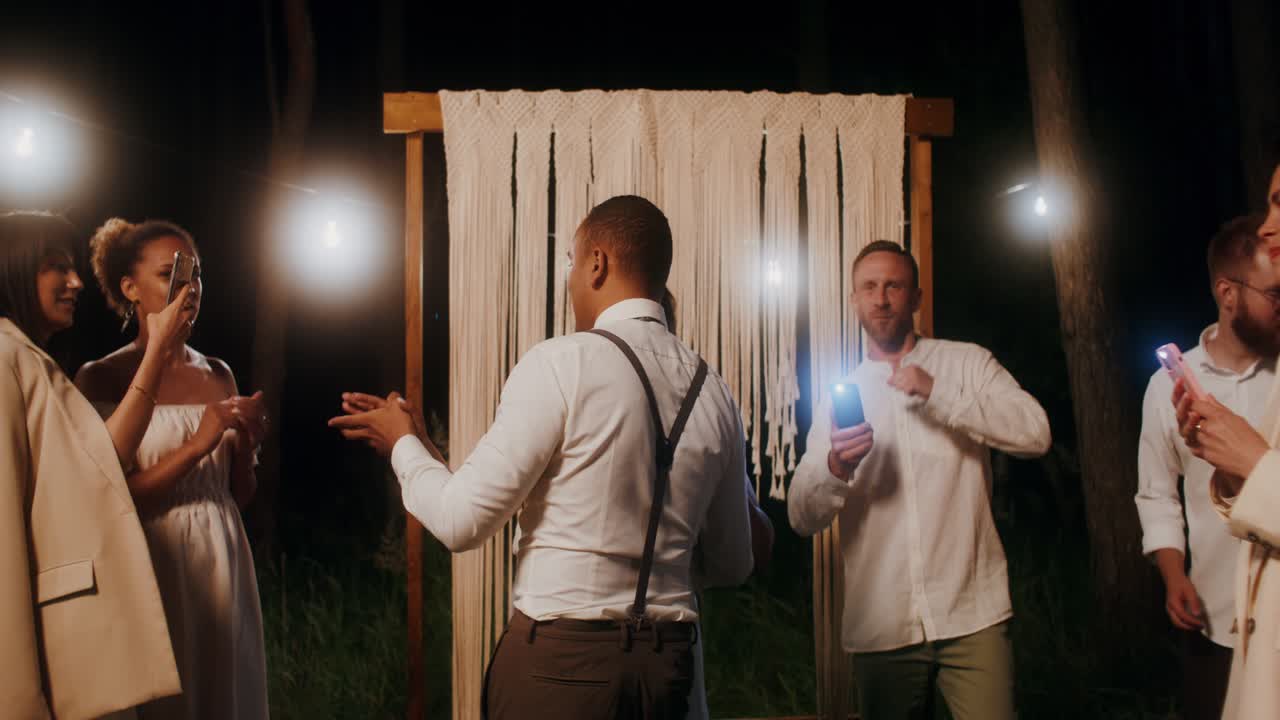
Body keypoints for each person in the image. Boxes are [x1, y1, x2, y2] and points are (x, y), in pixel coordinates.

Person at [330, 195, 768, 720]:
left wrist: (402, 443)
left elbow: (459, 521)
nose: (571, 281)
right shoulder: (714, 392)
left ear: (597, 263)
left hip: (561, 670)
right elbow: (735, 562)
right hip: (671, 676)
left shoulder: (562, 363)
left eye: (572, 263)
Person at [787, 240, 1051, 720]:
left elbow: (1036, 433)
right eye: (869, 287)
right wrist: (837, 468)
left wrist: (938, 391)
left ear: (916, 297)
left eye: (894, 286)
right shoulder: (839, 394)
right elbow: (802, 516)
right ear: (854, 300)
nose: (881, 298)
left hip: (972, 613)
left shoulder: (966, 363)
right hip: (881, 625)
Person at [75, 218, 269, 720]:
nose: (190, 289)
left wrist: (246, 447)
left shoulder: (218, 372)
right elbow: (107, 496)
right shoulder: (102, 376)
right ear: (130, 287)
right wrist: (198, 444)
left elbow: (236, 495)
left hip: (221, 554)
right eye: (171, 275)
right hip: (151, 556)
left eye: (197, 275)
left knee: (222, 691)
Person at [0, 211, 183, 718]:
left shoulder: (26, 356)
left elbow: (93, 463)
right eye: (56, 267)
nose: (76, 282)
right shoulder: (4, 357)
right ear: (13, 270)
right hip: (42, 641)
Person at [1136, 214, 1275, 720]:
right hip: (1213, 620)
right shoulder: (1168, 386)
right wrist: (1174, 574)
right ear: (1228, 292)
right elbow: (1156, 493)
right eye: (1276, 295)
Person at [1174, 164, 1280, 720]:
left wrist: (1256, 465)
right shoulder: (1174, 382)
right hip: (1226, 616)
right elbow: (1155, 494)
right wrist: (1236, 472)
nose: (1268, 227)